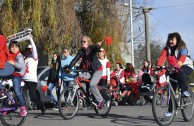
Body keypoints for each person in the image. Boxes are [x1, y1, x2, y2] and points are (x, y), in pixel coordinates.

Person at [156, 32, 193, 117]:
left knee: (180, 73)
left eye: (172, 39)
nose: (170, 41)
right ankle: (171, 109)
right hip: (174, 68)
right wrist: (158, 66)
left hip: (186, 65)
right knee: (170, 89)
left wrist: (179, 63)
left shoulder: (182, 47)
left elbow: (183, 57)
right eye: (169, 39)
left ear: (177, 39)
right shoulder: (167, 48)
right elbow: (162, 57)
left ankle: (184, 91)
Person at [66, 36, 104, 108]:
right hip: (89, 71)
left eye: (84, 41)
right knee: (80, 79)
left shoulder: (91, 48)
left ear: (88, 43)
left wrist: (98, 46)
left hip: (97, 69)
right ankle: (87, 97)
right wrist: (69, 67)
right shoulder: (81, 52)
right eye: (81, 42)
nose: (82, 43)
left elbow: (95, 48)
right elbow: (75, 59)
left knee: (92, 84)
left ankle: (100, 100)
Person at [22, 36, 45, 115]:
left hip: (32, 80)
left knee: (33, 96)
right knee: (20, 93)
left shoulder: (34, 57)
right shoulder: (24, 58)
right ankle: (22, 108)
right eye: (27, 49)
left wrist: (30, 39)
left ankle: (42, 106)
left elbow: (34, 49)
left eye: (30, 49)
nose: (28, 51)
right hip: (24, 79)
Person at [6, 41, 27, 116]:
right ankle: (5, 107)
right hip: (8, 75)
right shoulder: (8, 54)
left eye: (16, 47)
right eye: (12, 47)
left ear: (18, 48)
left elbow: (21, 66)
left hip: (17, 75)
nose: (14, 48)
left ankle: (23, 108)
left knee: (17, 91)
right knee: (5, 91)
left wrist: (13, 63)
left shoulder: (19, 55)